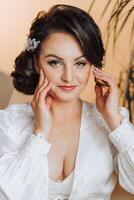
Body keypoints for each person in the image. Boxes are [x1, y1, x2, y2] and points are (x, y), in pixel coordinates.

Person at [0, 4, 134, 200]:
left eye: (80, 63)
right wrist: (39, 133)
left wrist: (113, 119)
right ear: (37, 62)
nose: (69, 77)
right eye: (55, 62)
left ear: (92, 65)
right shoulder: (9, 123)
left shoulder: (112, 122)